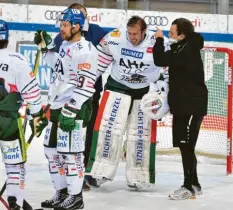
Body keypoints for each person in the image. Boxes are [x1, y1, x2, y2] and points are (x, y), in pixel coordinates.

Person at [86, 15, 170, 190]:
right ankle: (100, 171)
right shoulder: (114, 39)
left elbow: (169, 72)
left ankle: (139, 176)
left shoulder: (160, 42)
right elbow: (98, 65)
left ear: (144, 31)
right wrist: (85, 87)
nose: (132, 37)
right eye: (130, 33)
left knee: (140, 133)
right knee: (109, 129)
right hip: (118, 87)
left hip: (145, 93)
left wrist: (166, 97)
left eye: (136, 34)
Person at [34, 8, 97, 209]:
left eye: (65, 25)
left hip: (75, 108)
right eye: (61, 25)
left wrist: (70, 111)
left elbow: (87, 86)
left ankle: (76, 196)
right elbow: (58, 69)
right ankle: (61, 192)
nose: (62, 29)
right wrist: (47, 49)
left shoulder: (86, 50)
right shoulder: (65, 45)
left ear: (77, 26)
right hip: (58, 104)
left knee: (71, 154)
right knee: (51, 151)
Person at [153, 18, 208, 200]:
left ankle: (188, 187)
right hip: (183, 105)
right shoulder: (184, 46)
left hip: (191, 106)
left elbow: (159, 59)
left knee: (187, 146)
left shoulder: (187, 50)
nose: (170, 34)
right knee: (186, 146)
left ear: (182, 35)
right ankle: (194, 183)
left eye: (172, 31)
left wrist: (159, 40)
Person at [54, 3, 107, 190]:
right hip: (67, 96)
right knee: (68, 141)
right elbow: (58, 65)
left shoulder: (97, 33)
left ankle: (86, 173)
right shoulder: (64, 36)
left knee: (90, 135)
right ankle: (72, 179)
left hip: (90, 94)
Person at [0, 19, 47, 210]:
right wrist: (37, 115)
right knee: (15, 167)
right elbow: (33, 93)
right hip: (8, 122)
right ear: (7, 38)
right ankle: (15, 203)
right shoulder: (16, 60)